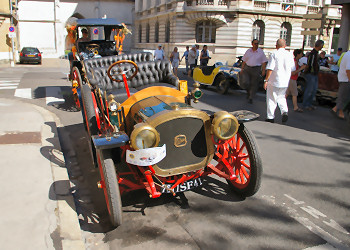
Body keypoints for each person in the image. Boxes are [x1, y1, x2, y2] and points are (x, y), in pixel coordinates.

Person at [264, 39, 295, 123]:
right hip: (285, 81)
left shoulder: (275, 54)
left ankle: (270, 116)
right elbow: (293, 68)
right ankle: (284, 111)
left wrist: (266, 80)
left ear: (276, 45)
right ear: (285, 46)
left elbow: (270, 68)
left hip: (275, 80)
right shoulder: (289, 55)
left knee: (271, 98)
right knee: (281, 97)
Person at [240, 39, 268, 104]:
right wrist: (242, 69)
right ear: (252, 44)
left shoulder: (260, 52)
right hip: (247, 68)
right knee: (245, 82)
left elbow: (264, 62)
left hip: (256, 69)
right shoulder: (248, 51)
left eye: (257, 43)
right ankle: (248, 92)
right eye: (255, 43)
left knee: (254, 84)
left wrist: (263, 70)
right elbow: (244, 60)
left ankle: (251, 97)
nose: (256, 45)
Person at [302, 39, 324, 111]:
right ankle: (305, 104)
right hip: (311, 74)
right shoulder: (313, 54)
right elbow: (310, 64)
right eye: (322, 45)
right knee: (309, 90)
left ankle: (309, 104)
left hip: (314, 73)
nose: (322, 47)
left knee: (313, 90)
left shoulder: (315, 53)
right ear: (320, 45)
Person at [332, 49, 350, 119]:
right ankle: (340, 112)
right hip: (345, 79)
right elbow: (348, 70)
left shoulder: (347, 54)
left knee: (344, 96)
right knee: (344, 96)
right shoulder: (349, 56)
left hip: (345, 78)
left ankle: (335, 109)